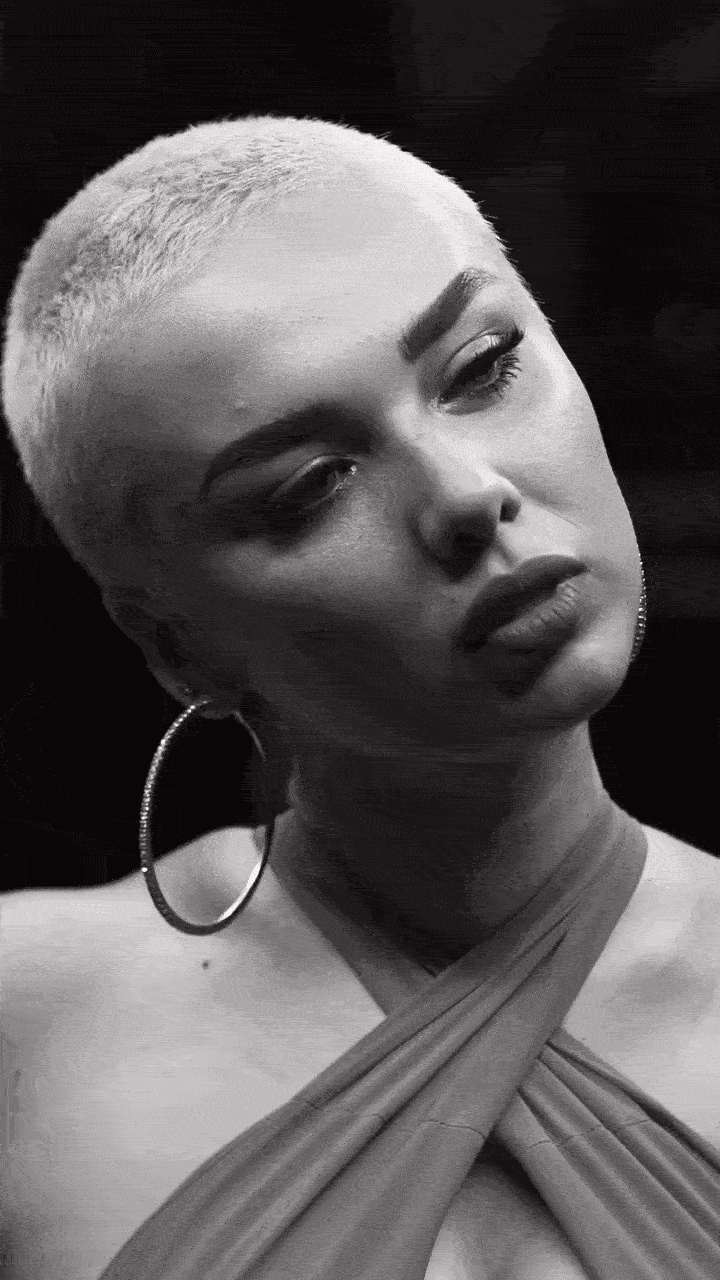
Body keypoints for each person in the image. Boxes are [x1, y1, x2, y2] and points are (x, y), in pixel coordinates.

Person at [0, 114, 718, 1280]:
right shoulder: (28, 1024)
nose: (467, 494)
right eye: (310, 485)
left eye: (483, 368)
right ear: (174, 644)